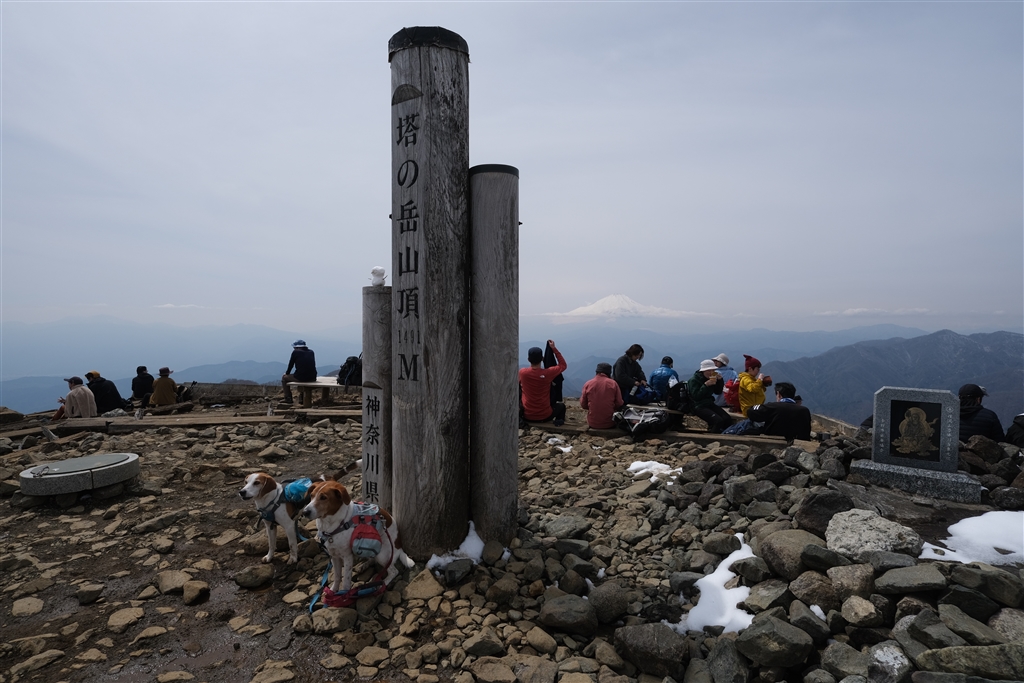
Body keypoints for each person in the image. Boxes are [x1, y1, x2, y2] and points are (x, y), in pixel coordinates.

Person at [519, 340, 567, 426]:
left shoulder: (522, 373)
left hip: (526, 415)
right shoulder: (548, 373)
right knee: (561, 406)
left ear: (528, 359)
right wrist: (554, 349)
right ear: (542, 359)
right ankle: (559, 422)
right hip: (545, 416)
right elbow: (563, 365)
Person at [747, 381, 812, 441]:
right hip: (798, 444)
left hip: (772, 442)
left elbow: (751, 411)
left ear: (778, 394)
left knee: (748, 423)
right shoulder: (804, 411)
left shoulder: (772, 407)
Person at [688, 359, 730, 433]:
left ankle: (724, 434)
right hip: (698, 406)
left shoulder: (711, 378)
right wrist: (705, 385)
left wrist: (720, 381)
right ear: (703, 371)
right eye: (708, 371)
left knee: (727, 419)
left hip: (709, 403)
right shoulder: (694, 380)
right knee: (718, 421)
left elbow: (718, 392)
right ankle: (712, 438)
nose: (711, 373)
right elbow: (696, 396)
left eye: (713, 370)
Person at [580, 362, 624, 429]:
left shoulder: (588, 384)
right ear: (609, 373)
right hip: (610, 423)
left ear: (597, 372)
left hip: (592, 423)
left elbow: (583, 404)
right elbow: (619, 403)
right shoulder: (613, 384)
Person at [281, 340, 317, 405]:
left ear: (297, 347)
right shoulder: (311, 352)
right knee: (302, 376)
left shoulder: (295, 352)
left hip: (301, 377)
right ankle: (302, 398)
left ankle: (288, 398)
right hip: (312, 377)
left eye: (294, 347)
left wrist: (287, 373)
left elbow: (291, 364)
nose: (294, 348)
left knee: (284, 378)